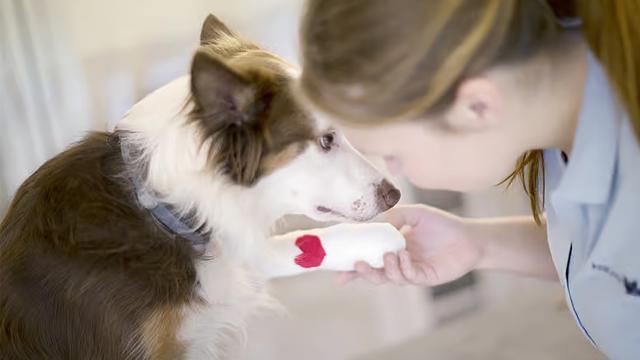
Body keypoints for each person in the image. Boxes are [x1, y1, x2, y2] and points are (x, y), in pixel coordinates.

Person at [297, 1, 640, 358]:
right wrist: (478, 243)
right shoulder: (568, 106)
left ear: (476, 107)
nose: (392, 172)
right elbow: (606, 254)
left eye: (392, 155)